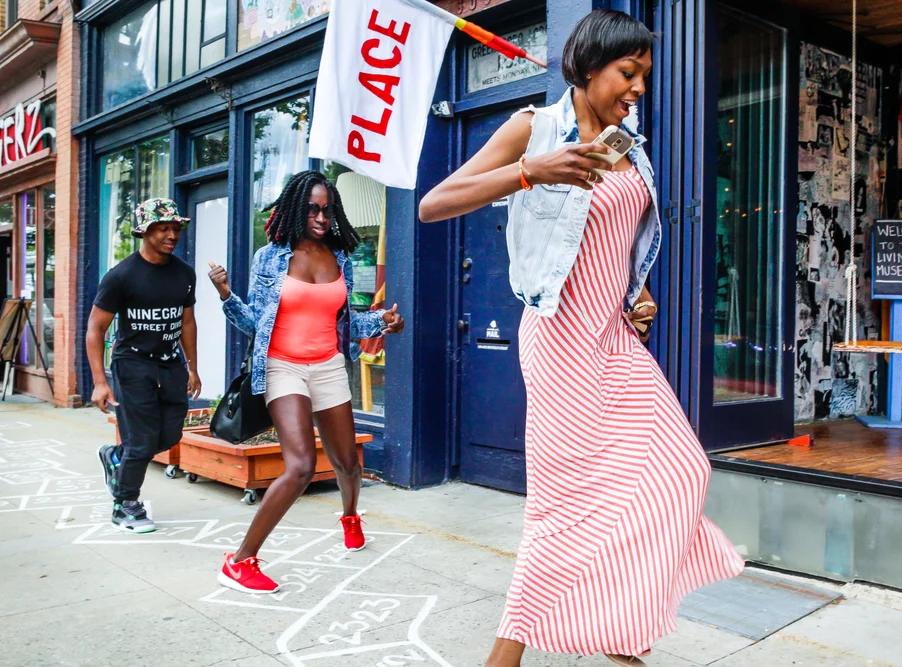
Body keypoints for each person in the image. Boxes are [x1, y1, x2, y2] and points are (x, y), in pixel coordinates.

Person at [419, 10, 744, 667]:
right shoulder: (532, 129)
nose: (638, 87)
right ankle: (512, 656)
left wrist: (637, 293)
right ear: (591, 65)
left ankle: (618, 626)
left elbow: (616, 245)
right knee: (563, 506)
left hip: (615, 335)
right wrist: (533, 171)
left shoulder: (630, 144)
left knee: (681, 469)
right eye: (629, 72)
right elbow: (435, 203)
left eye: (645, 76)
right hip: (561, 336)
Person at [208, 170, 404, 594]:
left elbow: (346, 322)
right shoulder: (272, 257)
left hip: (329, 365)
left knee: (348, 463)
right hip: (283, 367)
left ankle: (350, 515)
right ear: (298, 207)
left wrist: (384, 323)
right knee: (298, 466)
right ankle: (240, 561)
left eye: (327, 209)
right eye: (313, 208)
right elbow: (256, 324)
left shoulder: (341, 257)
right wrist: (226, 295)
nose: (320, 217)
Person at [89, 198, 202, 534]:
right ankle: (125, 504)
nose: (172, 234)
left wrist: (193, 367)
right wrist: (99, 382)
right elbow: (95, 330)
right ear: (145, 231)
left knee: (169, 435)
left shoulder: (184, 273)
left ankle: (115, 457)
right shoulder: (122, 276)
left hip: (171, 364)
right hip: (133, 362)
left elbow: (188, 322)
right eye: (163, 228)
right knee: (141, 441)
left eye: (176, 228)